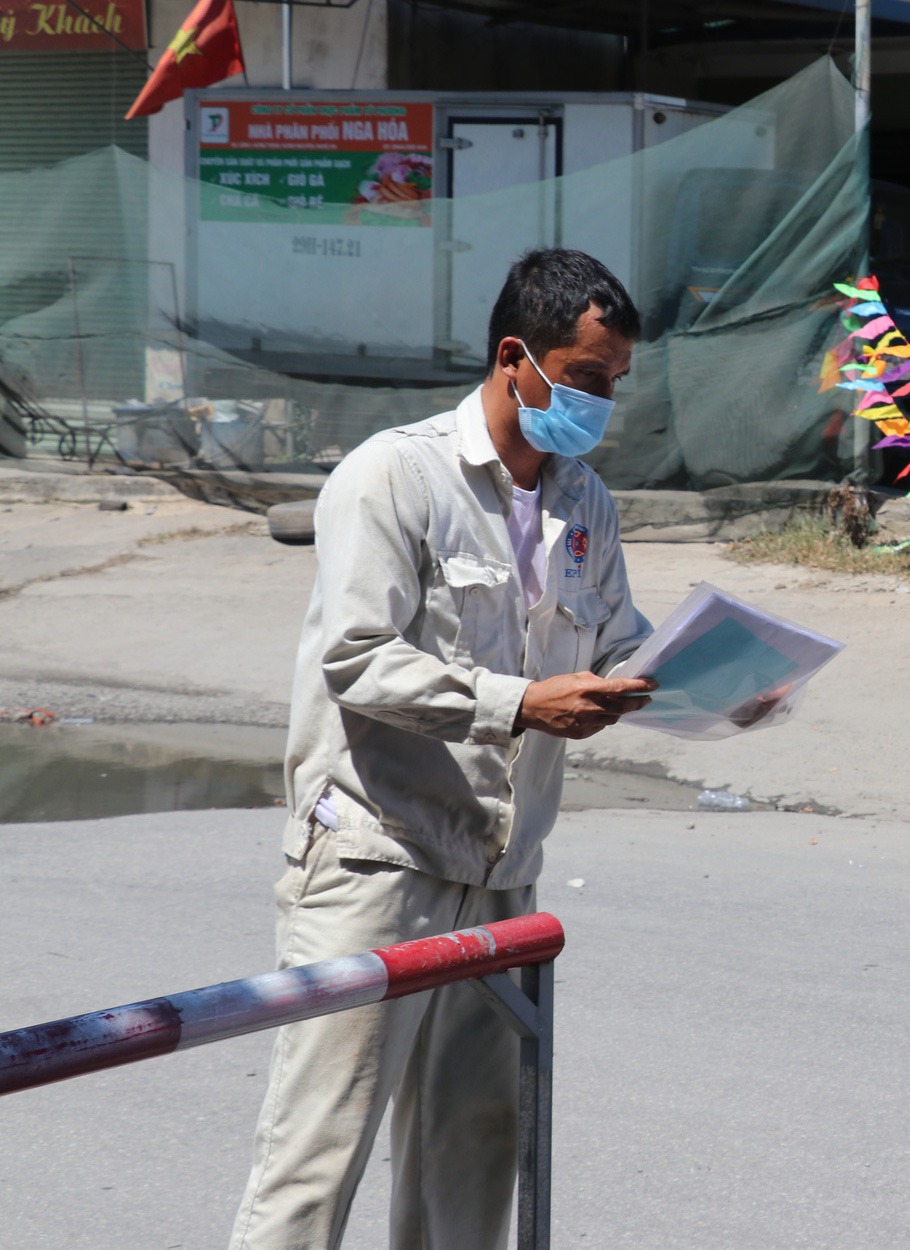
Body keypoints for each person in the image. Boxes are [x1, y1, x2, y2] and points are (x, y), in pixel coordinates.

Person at [231, 248, 660, 1250]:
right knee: (315, 1156)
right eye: (587, 375)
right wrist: (519, 703)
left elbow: (618, 642)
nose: (601, 402)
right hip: (378, 859)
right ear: (517, 357)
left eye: (615, 383)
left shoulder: (583, 500)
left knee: (473, 1144)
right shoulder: (394, 474)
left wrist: (699, 677)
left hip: (503, 872)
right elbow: (359, 659)